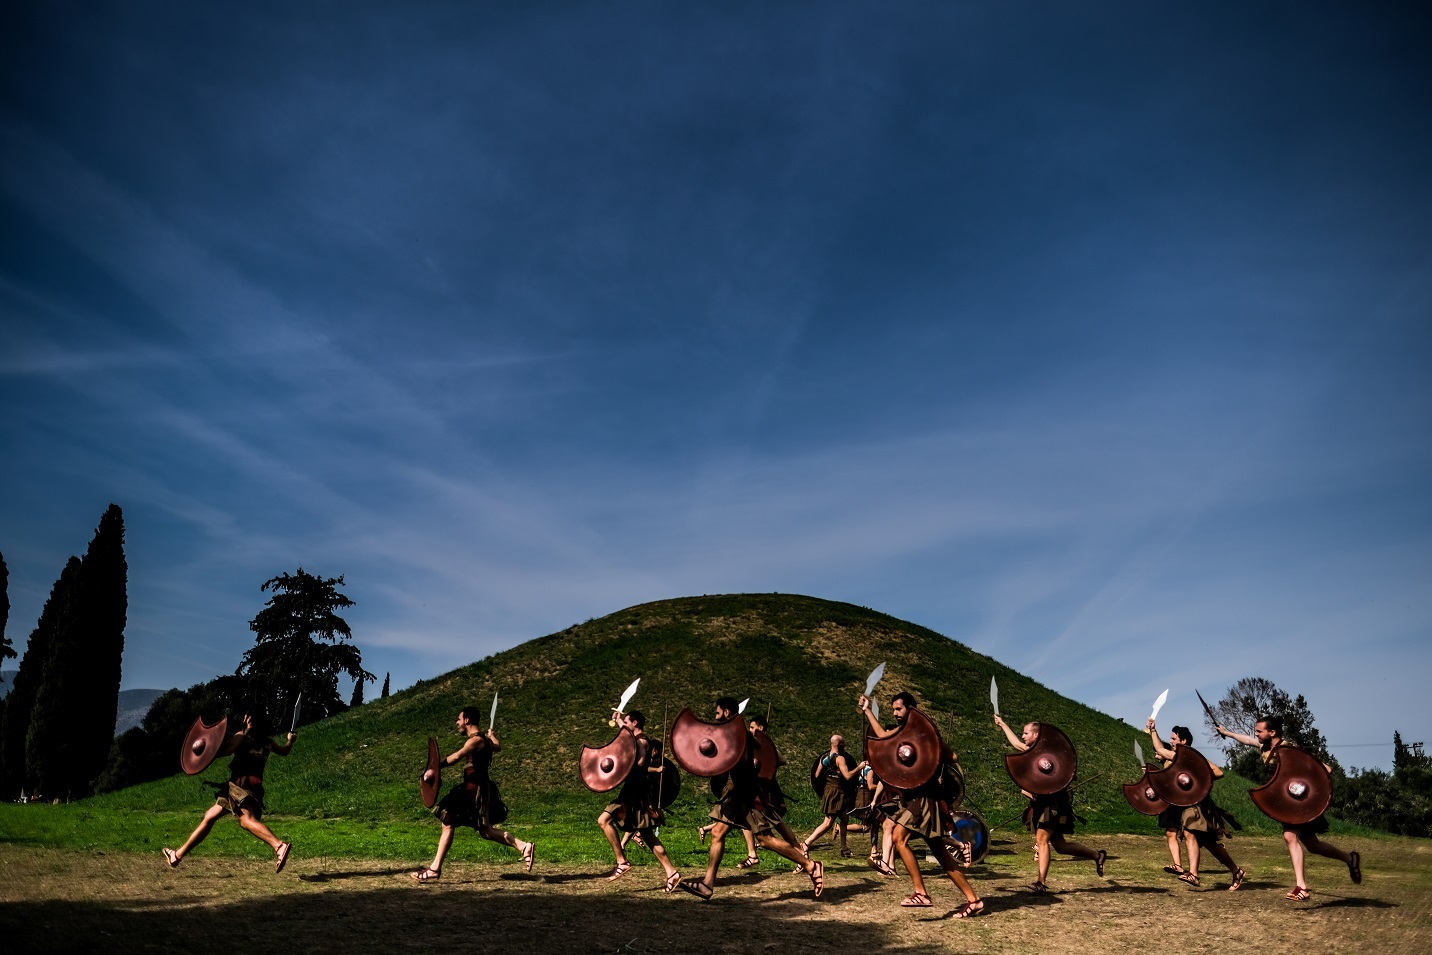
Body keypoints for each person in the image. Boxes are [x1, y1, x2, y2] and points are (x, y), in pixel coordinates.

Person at [680, 697, 823, 901]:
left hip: (747, 794)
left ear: (728, 713)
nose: (715, 716)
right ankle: (707, 884)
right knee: (718, 833)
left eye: (718, 712)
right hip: (734, 793)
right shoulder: (733, 735)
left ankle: (810, 865)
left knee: (765, 840)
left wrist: (759, 744)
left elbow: (776, 759)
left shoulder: (741, 735)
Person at [861, 692, 983, 917]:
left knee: (899, 838)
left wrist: (930, 758)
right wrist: (868, 710)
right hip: (917, 799)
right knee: (942, 855)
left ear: (911, 708)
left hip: (925, 798)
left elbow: (951, 756)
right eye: (893, 710)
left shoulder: (923, 733)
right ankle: (974, 900)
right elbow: (883, 738)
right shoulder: (901, 732)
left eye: (899, 709)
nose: (895, 714)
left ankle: (921, 893)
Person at [1216, 714, 1360, 900]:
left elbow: (1326, 769)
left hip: (1299, 802)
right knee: (1313, 845)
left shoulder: (1289, 748)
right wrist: (1226, 732)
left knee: (1290, 836)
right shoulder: (1264, 746)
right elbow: (1247, 740)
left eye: (1259, 731)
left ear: (1272, 732)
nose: (1256, 734)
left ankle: (1302, 887)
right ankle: (1350, 859)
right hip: (1287, 803)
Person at [410, 706, 533, 882]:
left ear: (467, 720)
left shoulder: (475, 740)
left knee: (450, 819)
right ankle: (523, 846)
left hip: (475, 789)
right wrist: (492, 736)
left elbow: (457, 756)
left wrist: (436, 767)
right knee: (484, 830)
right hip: (475, 788)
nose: (457, 723)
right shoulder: (485, 740)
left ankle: (435, 869)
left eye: (459, 719)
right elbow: (497, 747)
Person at [163, 712, 295, 872]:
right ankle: (177, 855)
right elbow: (285, 751)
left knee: (246, 820)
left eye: (246, 717)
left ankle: (279, 845)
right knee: (210, 816)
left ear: (249, 719)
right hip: (250, 785)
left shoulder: (243, 736)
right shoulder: (268, 742)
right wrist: (290, 740)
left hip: (240, 785)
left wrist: (207, 747)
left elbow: (227, 750)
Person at [993, 713, 1106, 893]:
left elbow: (1066, 771)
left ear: (1036, 735)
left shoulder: (1050, 752)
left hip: (1054, 804)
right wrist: (1003, 724)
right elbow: (1017, 745)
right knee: (1061, 847)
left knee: (1042, 839)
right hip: (1043, 803)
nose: (1023, 736)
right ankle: (1097, 855)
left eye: (1026, 733)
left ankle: (1041, 882)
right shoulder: (1034, 753)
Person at [1147, 720, 1245, 890]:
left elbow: (1218, 772)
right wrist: (1153, 729)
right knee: (1210, 844)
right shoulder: (1176, 756)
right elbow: (1160, 750)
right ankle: (1236, 871)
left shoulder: (1194, 758)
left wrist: (1200, 776)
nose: (1171, 741)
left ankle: (1194, 874)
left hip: (1198, 804)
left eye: (1174, 739)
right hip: (1186, 805)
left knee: (1189, 831)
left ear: (1183, 741)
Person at [598, 710, 683, 892]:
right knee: (647, 835)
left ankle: (622, 861)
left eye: (628, 722)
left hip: (635, 793)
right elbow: (627, 735)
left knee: (603, 820)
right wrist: (620, 720)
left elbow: (640, 762)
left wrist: (624, 760)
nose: (626, 726)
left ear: (635, 723)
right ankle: (672, 873)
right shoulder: (634, 738)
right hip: (634, 791)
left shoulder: (642, 741)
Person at [801, 734, 861, 858]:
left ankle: (844, 848)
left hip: (831, 790)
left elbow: (817, 775)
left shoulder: (824, 757)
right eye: (843, 743)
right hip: (836, 792)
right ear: (840, 745)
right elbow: (848, 776)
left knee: (844, 819)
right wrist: (859, 768)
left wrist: (831, 774)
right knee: (828, 822)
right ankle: (807, 843)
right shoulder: (840, 759)